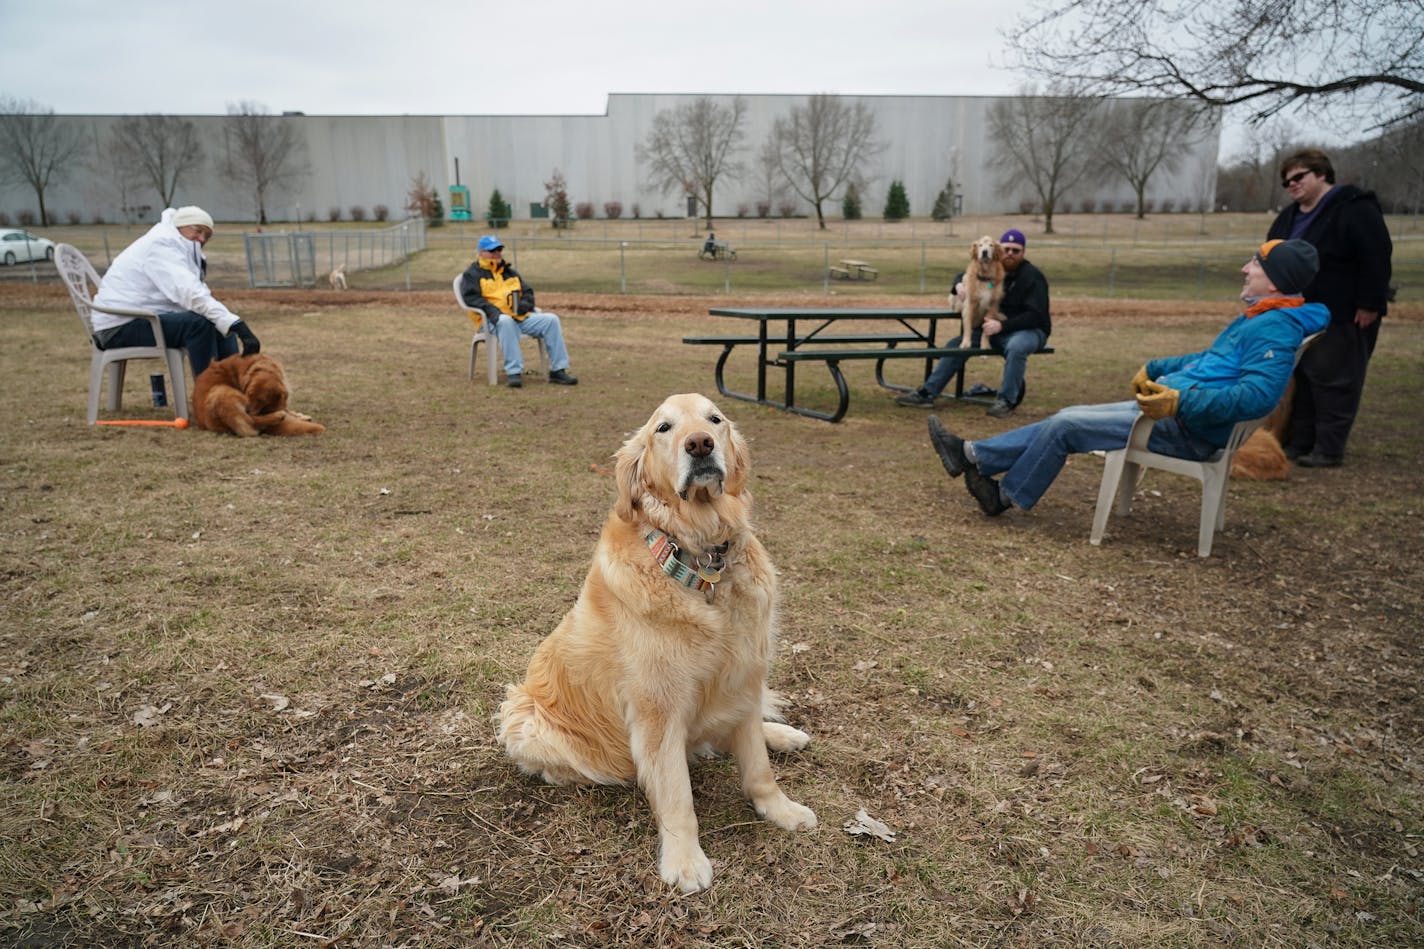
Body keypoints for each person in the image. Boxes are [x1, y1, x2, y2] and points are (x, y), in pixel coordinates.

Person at [926, 240, 1328, 517]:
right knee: (1069, 413)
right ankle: (982, 466)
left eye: (1255, 264)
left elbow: (1259, 396)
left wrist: (1181, 402)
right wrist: (1157, 368)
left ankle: (985, 472)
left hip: (1189, 427)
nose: (1245, 268)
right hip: (1173, 409)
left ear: (1274, 279)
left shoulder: (1275, 328)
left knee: (1067, 425)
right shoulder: (1261, 317)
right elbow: (1211, 360)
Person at [1267, 148, 1393, 468]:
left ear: (1321, 174)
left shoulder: (1353, 208)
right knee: (1303, 378)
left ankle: (1329, 448)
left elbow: (1376, 257)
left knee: (1335, 380)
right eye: (1287, 182)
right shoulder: (1289, 217)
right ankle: (1300, 441)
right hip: (1296, 313)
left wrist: (1369, 304)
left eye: (1299, 177)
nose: (1292, 185)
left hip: (1342, 313)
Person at [895, 228, 1050, 418]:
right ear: (999, 251)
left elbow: (1036, 315)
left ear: (1023, 252)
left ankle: (1006, 401)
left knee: (1016, 347)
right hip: (993, 329)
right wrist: (957, 285)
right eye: (1007, 249)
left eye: (1015, 251)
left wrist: (1002, 326)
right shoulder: (993, 267)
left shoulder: (1032, 276)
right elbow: (964, 273)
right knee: (956, 345)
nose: (1010, 254)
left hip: (1028, 330)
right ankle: (927, 393)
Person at [90, 206, 260, 378]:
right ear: (181, 226)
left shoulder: (176, 246)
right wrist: (238, 325)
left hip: (139, 318)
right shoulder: (161, 245)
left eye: (207, 235)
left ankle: (235, 390)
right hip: (117, 327)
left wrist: (229, 323)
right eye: (198, 230)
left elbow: (197, 294)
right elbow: (188, 292)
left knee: (218, 323)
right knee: (199, 325)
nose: (202, 238)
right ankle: (210, 396)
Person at [459, 235, 578, 388]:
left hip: (518, 317)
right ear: (481, 252)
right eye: (492, 250)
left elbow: (527, 291)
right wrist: (494, 312)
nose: (497, 253)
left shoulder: (510, 272)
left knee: (551, 319)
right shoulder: (472, 274)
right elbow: (471, 299)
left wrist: (525, 304)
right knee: (505, 321)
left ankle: (558, 370)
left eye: (499, 249)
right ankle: (513, 372)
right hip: (491, 322)